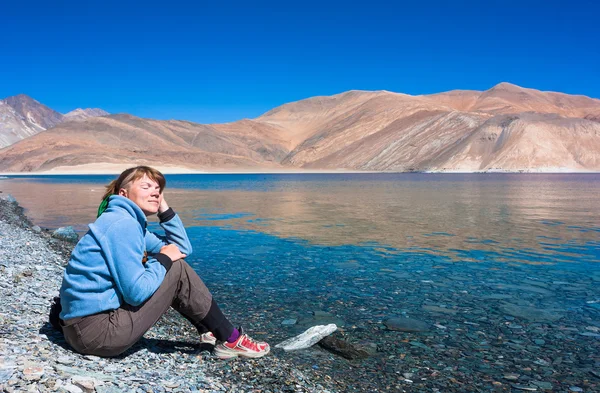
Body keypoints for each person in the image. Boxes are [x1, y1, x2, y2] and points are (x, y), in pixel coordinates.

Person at [58, 165, 269, 359]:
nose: (155, 192)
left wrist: (162, 208)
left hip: (79, 330)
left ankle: (209, 330)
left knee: (173, 263)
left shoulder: (127, 222)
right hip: (98, 335)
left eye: (158, 189)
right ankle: (231, 339)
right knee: (175, 269)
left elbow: (182, 248)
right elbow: (136, 293)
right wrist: (164, 259)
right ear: (123, 193)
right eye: (146, 186)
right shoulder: (123, 225)